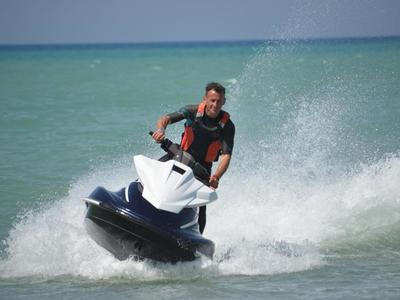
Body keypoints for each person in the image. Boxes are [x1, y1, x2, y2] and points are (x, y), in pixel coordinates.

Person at [152, 82, 235, 234]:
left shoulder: (227, 126)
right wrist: (160, 130)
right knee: (153, 173)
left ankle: (197, 242)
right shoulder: (192, 111)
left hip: (203, 169)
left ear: (224, 102)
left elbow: (226, 155)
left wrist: (217, 176)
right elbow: (166, 119)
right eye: (212, 100)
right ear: (205, 99)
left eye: (219, 101)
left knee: (201, 207)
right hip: (179, 156)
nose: (215, 105)